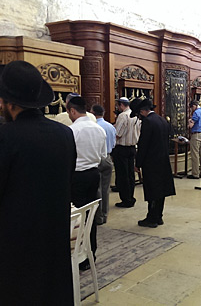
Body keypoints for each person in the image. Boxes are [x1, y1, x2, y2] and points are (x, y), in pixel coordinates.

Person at [0, 60, 77, 305]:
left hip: (13, 244)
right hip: (52, 237)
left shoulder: (2, 137)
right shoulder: (64, 134)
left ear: (8, 102)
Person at [67, 96, 107, 271]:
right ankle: (91, 252)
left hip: (77, 177)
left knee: (77, 217)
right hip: (93, 174)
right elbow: (103, 155)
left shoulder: (72, 130)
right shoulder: (99, 129)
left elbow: (66, 157)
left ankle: (79, 254)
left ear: (73, 111)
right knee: (90, 215)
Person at [132, 98, 176, 228]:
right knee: (160, 190)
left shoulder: (148, 122)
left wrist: (137, 163)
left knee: (152, 191)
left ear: (142, 111)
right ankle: (159, 216)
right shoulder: (162, 120)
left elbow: (143, 145)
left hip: (151, 163)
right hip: (163, 160)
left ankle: (151, 218)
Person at [113, 96, 140, 208]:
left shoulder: (123, 116)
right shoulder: (136, 116)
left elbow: (118, 133)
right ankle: (131, 197)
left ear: (121, 105)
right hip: (133, 147)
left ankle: (126, 199)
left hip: (122, 149)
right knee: (130, 175)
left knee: (123, 175)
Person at [92, 104, 116, 225]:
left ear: (93, 113)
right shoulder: (110, 126)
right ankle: (105, 214)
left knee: (97, 189)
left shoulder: (95, 126)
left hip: (98, 158)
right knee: (105, 189)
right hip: (108, 158)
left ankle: (98, 216)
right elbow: (113, 143)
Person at [188, 100, 201, 179]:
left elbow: (191, 125)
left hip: (196, 135)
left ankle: (195, 173)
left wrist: (189, 121)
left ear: (194, 106)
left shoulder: (196, 113)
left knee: (195, 154)